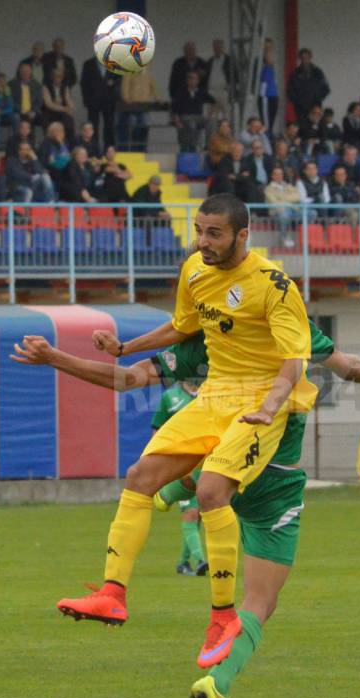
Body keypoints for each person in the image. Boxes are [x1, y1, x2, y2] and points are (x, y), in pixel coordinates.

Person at [11, 319, 360, 698]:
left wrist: (54, 357)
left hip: (219, 468)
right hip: (272, 482)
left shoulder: (208, 337)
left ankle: (165, 501)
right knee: (261, 602)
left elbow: (130, 379)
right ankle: (217, 681)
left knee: (184, 476)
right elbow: (348, 366)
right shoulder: (290, 325)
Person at [50, 194, 320, 673]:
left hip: (261, 402)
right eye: (199, 230)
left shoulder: (274, 285)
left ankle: (221, 617)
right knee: (139, 476)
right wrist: (124, 347)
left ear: (243, 235)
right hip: (215, 395)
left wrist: (270, 405)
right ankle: (113, 593)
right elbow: (182, 326)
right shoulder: (194, 268)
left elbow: (294, 360)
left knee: (213, 490)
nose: (203, 241)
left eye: (214, 233)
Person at [151, 378, 208, 576]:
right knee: (190, 514)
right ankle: (201, 560)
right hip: (179, 465)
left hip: (203, 463)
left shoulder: (208, 393)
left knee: (199, 514)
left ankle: (183, 563)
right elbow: (158, 430)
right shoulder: (169, 397)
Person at [118, 65, 165, 151]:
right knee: (133, 127)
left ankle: (142, 148)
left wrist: (159, 99)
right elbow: (124, 87)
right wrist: (127, 99)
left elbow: (154, 87)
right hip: (132, 107)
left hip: (144, 106)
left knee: (145, 127)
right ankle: (133, 149)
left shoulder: (147, 74)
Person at [80, 56, 121, 148]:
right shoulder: (88, 64)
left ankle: (109, 149)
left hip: (109, 100)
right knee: (93, 125)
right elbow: (84, 83)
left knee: (109, 125)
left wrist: (113, 82)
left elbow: (120, 78)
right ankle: (93, 148)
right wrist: (86, 101)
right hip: (93, 100)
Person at [171, 71, 214, 152]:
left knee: (210, 122)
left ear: (198, 81)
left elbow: (213, 102)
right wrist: (177, 122)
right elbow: (174, 108)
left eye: (195, 79)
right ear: (187, 80)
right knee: (192, 124)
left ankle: (208, 145)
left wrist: (210, 114)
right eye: (191, 79)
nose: (193, 81)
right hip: (185, 116)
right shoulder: (181, 92)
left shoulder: (201, 91)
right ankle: (192, 147)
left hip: (198, 116)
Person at [286, 48, 330, 125]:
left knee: (316, 127)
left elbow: (326, 89)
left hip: (315, 106)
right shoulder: (295, 74)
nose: (305, 60)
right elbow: (290, 91)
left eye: (307, 58)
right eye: (303, 58)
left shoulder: (318, 72)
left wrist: (317, 100)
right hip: (300, 107)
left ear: (310, 58)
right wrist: (298, 101)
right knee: (302, 127)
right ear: (300, 59)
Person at [264, 166, 300, 247]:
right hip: (277, 212)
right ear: (272, 176)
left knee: (312, 213)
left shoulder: (288, 186)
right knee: (284, 215)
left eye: (280, 174)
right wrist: (288, 200)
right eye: (276, 174)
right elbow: (274, 202)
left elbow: (297, 196)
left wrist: (282, 198)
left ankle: (305, 239)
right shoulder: (268, 188)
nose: (279, 176)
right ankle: (284, 238)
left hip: (293, 211)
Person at [42, 69, 75, 139]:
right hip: (49, 111)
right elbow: (49, 104)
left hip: (62, 112)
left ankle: (69, 143)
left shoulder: (65, 87)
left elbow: (68, 99)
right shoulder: (46, 87)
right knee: (46, 122)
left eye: (60, 76)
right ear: (52, 77)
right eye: (56, 76)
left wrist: (71, 108)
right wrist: (64, 109)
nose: (58, 78)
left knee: (69, 122)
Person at [38, 121, 71, 188]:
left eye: (61, 131)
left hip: (65, 166)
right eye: (57, 131)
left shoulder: (65, 142)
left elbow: (68, 156)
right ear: (51, 132)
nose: (59, 133)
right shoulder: (46, 142)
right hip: (52, 167)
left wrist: (61, 143)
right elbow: (42, 158)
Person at [10, 63, 44, 128]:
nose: (25, 73)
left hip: (33, 111)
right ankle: (27, 137)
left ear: (31, 72)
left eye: (27, 71)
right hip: (18, 111)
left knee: (45, 119)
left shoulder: (37, 85)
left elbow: (39, 101)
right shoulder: (11, 84)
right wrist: (23, 111)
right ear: (19, 71)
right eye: (23, 71)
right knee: (25, 119)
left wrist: (33, 111)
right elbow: (11, 101)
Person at [206, 39, 233, 122]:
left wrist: (231, 85)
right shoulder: (210, 61)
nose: (217, 49)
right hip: (212, 91)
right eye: (215, 47)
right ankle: (213, 133)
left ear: (223, 48)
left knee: (226, 115)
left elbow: (235, 75)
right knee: (211, 116)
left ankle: (227, 133)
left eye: (219, 47)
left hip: (224, 91)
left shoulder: (229, 60)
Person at [258, 38, 278, 136]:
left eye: (270, 48)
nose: (269, 50)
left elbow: (270, 61)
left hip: (273, 95)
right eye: (266, 48)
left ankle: (269, 138)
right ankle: (267, 141)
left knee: (271, 122)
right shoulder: (259, 63)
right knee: (266, 124)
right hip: (265, 96)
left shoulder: (271, 63)